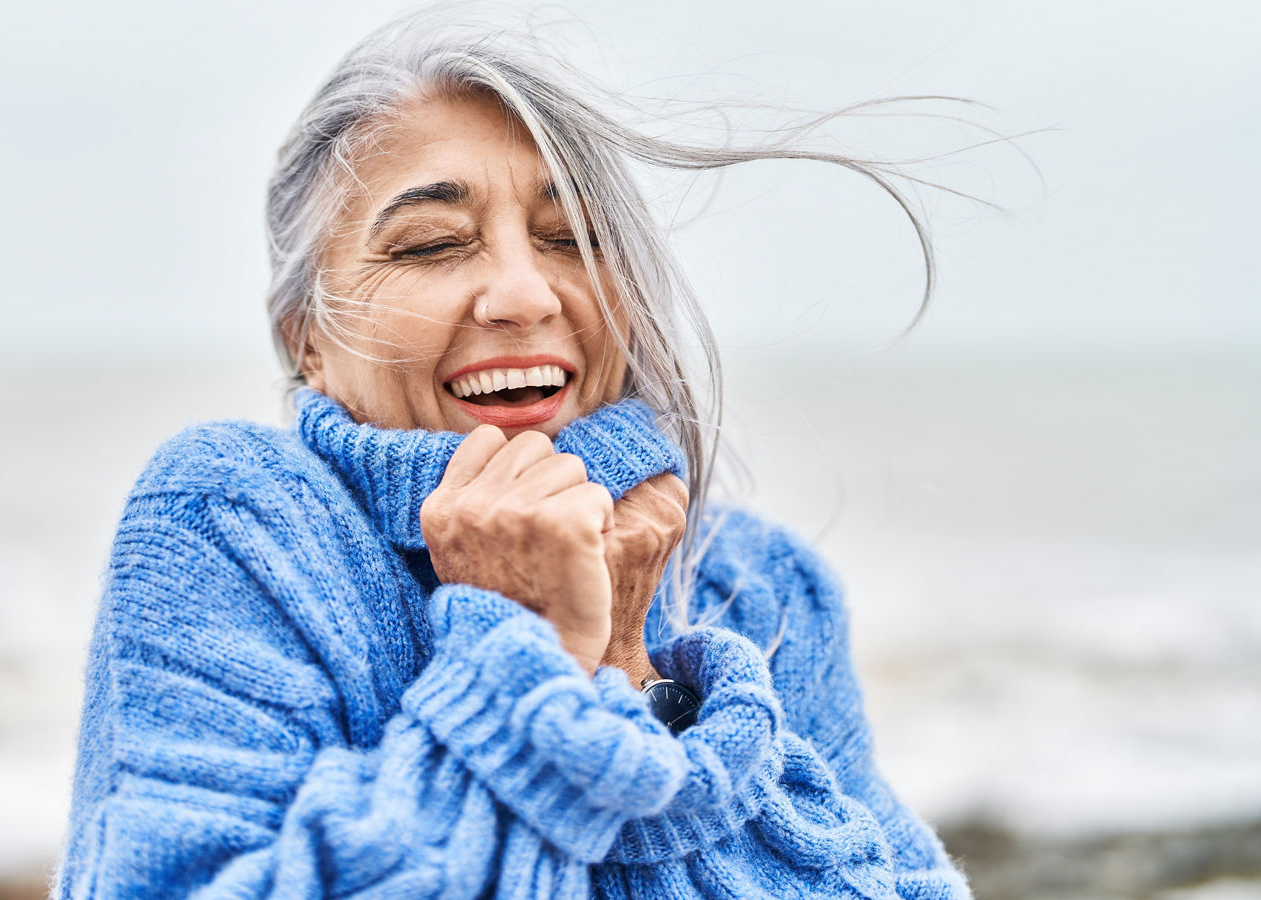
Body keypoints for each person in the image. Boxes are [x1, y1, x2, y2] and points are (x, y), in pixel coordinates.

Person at [55, 12, 972, 899]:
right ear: (308, 338)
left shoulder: (765, 584)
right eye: (432, 244)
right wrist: (521, 655)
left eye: (571, 237)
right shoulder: (239, 519)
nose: (524, 294)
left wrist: (624, 670)